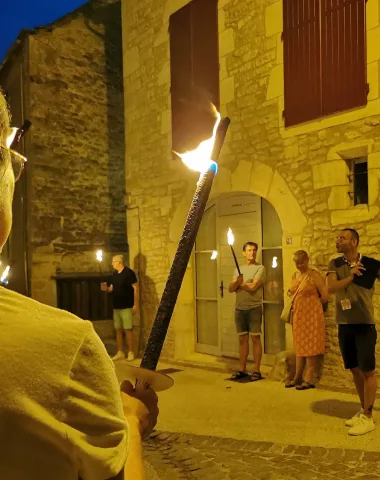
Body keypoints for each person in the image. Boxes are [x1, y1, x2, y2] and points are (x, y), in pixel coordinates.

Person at [0, 90, 158, 479]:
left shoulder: (129, 275)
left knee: (124, 330)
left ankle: (127, 348)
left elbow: (133, 290)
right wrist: (131, 425)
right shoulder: (66, 347)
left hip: (123, 308)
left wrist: (130, 301)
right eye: (10, 161)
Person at [327, 228, 380, 436]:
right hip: (344, 324)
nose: (338, 241)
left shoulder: (370, 264)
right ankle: (363, 409)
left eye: (342, 238)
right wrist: (350, 277)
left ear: (355, 242)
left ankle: (368, 417)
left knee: (368, 371)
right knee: (354, 369)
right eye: (337, 237)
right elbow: (330, 288)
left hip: (365, 324)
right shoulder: (335, 264)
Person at [285, 250, 328, 390]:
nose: (299, 265)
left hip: (312, 316)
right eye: (297, 263)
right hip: (298, 316)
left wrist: (313, 306)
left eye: (301, 262)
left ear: (307, 260)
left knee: (311, 347)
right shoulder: (295, 275)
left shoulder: (313, 275)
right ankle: (297, 376)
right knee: (300, 346)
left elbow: (325, 295)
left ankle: (308, 378)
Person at [228, 242, 266, 381]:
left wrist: (240, 284)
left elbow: (253, 287)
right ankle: (242, 369)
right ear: (244, 253)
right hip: (240, 308)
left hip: (254, 308)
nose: (252, 253)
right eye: (249, 250)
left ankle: (256, 370)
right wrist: (237, 282)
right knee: (242, 339)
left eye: (254, 250)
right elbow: (231, 288)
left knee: (255, 338)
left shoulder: (260, 268)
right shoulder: (239, 269)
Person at [101, 255, 138, 361]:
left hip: (126, 305)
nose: (112, 264)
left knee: (128, 329)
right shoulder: (114, 274)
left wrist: (136, 304)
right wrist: (106, 289)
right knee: (118, 329)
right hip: (116, 306)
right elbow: (111, 288)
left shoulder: (129, 273)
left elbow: (136, 288)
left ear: (119, 262)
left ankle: (131, 351)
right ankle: (120, 351)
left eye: (113, 262)